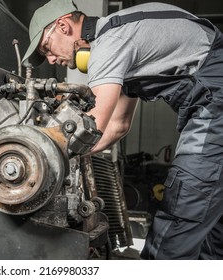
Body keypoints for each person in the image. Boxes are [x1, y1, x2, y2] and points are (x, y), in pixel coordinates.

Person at [21, 0, 223, 260]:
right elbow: (117, 126)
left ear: (63, 25)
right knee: (213, 232)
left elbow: (94, 124)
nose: (51, 59)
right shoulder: (122, 35)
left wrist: (44, 154)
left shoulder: (110, 40)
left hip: (215, 104)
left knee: (181, 211)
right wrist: (71, 156)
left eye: (46, 48)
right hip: (213, 100)